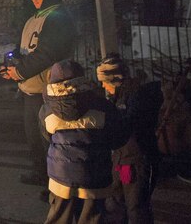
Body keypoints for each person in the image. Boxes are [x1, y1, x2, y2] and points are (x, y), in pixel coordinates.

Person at [0, 0, 76, 193]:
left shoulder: (58, 18)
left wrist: (20, 71)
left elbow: (47, 53)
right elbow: (24, 49)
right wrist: (10, 65)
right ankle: (41, 174)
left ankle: (54, 185)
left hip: (50, 91)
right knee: (34, 138)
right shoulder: (34, 18)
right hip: (30, 90)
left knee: (50, 141)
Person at [40, 60, 130, 224]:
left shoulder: (46, 110)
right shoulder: (103, 106)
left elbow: (46, 136)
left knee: (58, 218)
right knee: (91, 219)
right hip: (94, 178)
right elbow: (118, 139)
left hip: (61, 175)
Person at [97, 55, 162, 224]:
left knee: (136, 206)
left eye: (104, 81)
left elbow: (131, 126)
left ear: (114, 79)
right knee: (116, 202)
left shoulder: (137, 98)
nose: (103, 85)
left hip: (136, 161)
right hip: (122, 161)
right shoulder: (119, 98)